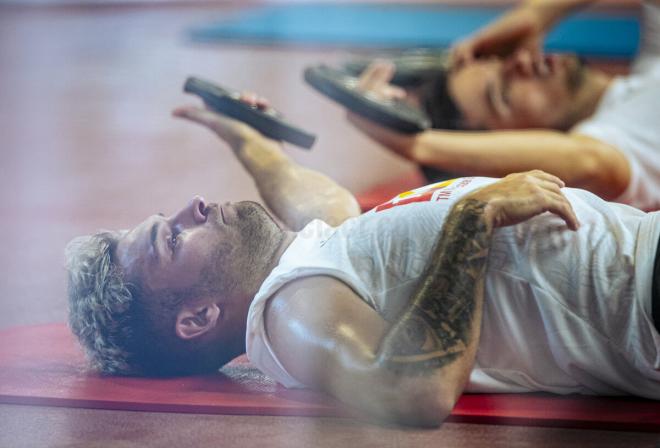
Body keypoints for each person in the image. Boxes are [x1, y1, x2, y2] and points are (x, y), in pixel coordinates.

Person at [66, 97, 660, 428]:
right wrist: (470, 222)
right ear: (196, 318)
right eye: (172, 239)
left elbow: (309, 193)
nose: (191, 206)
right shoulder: (291, 312)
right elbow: (412, 393)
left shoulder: (319, 252)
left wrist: (242, 136)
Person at [345, 0, 660, 211]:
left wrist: (537, 15)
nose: (522, 61)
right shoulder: (619, 144)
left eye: (503, 59)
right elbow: (589, 160)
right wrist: (417, 144)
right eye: (504, 93)